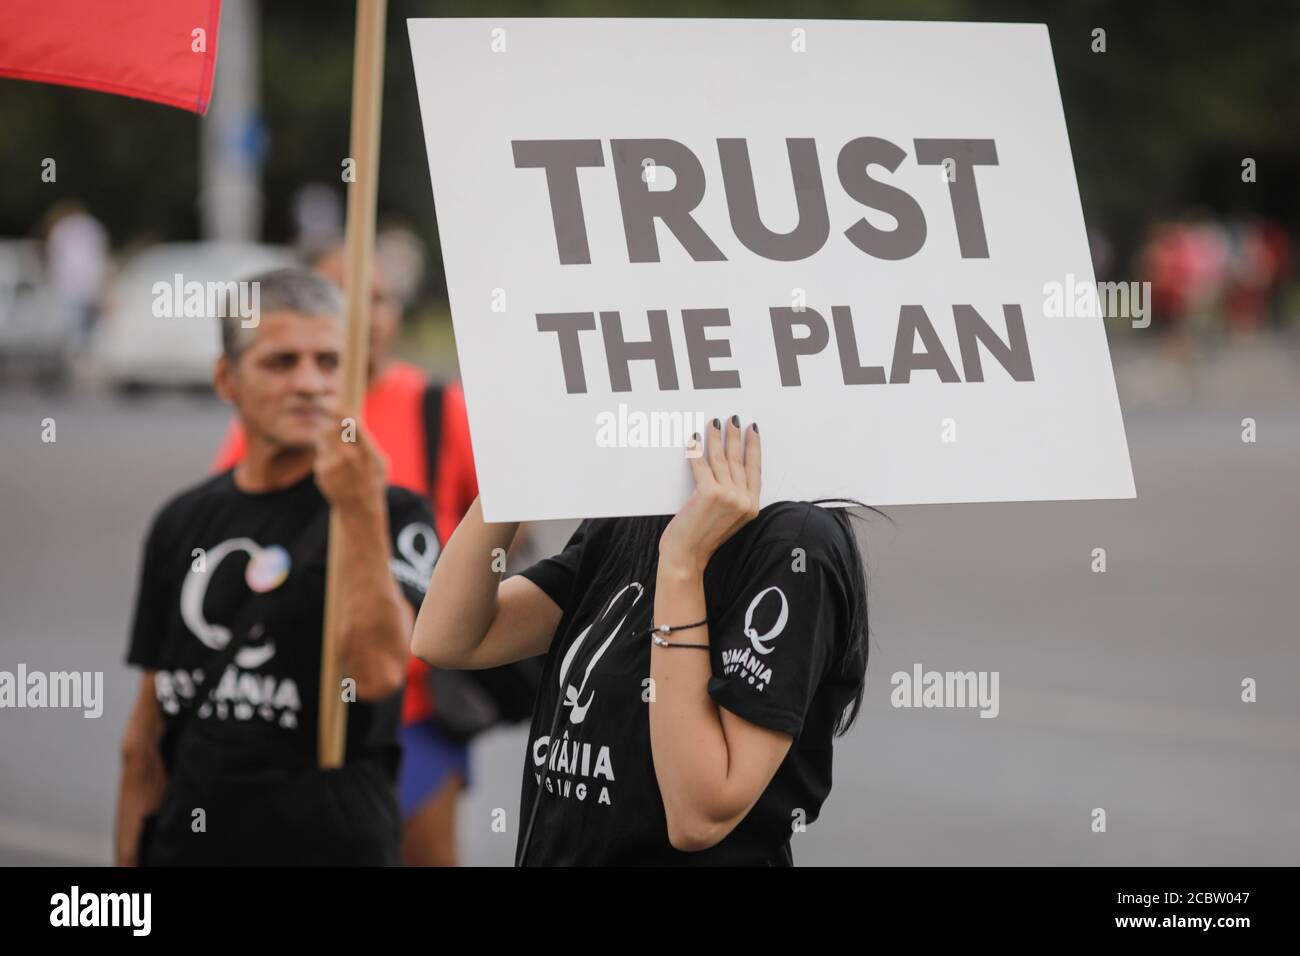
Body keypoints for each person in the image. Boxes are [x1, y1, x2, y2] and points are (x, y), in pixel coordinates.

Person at [412, 416, 871, 865]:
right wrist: (511, 478)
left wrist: (682, 564)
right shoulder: (640, 506)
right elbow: (449, 637)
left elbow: (699, 816)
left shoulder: (796, 543)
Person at [115, 268, 438, 866]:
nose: (310, 384)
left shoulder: (392, 512)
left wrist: (361, 509)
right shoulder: (182, 521)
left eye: (329, 362)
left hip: (329, 847)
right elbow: (145, 739)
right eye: (281, 362)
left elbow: (378, 674)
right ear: (225, 379)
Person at [209, 244, 482, 867]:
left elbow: (498, 515)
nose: (365, 313)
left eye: (379, 297)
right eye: (342, 293)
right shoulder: (283, 411)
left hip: (414, 703)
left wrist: (434, 576)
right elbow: (232, 525)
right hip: (301, 705)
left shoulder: (438, 406)